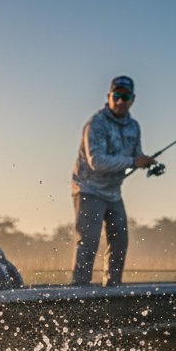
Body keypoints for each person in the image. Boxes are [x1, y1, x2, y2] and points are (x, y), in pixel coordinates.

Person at [70, 75, 157, 285]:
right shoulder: (96, 124)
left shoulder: (134, 126)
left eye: (125, 97)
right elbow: (97, 162)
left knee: (120, 241)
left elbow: (135, 156)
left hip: (113, 192)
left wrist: (144, 162)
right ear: (109, 96)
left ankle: (112, 288)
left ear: (132, 99)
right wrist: (132, 161)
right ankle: (79, 290)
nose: (120, 101)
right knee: (88, 241)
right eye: (116, 96)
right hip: (88, 189)